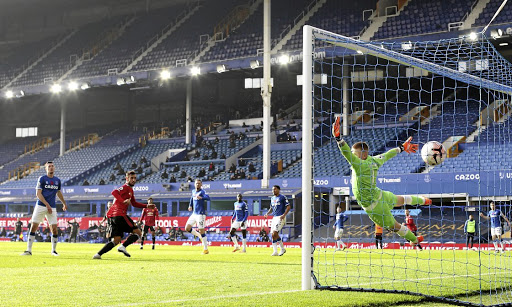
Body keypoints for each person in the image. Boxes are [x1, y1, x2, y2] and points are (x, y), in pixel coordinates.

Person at [332, 117, 430, 247]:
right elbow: (388, 154)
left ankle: (414, 240)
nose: (352, 154)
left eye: (354, 153)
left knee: (395, 226)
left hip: (374, 207)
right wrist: (401, 148)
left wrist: (339, 139)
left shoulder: (358, 164)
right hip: (381, 195)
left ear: (362, 154)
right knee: (400, 199)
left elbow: (346, 153)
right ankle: (423, 200)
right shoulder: (375, 160)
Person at [92, 171, 148, 259]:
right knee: (138, 232)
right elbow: (114, 192)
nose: (133, 180)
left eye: (135, 178)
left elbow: (134, 203)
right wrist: (123, 201)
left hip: (112, 217)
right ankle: (123, 246)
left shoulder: (130, 190)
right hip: (119, 215)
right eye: (131, 178)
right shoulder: (125, 187)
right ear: (127, 178)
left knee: (116, 240)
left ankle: (98, 254)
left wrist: (147, 206)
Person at [21, 161, 68, 256]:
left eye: (52, 166)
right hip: (41, 205)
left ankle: (53, 250)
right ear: (46, 169)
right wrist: (47, 205)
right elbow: (38, 194)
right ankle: (28, 250)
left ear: (54, 168)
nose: (51, 168)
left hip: (52, 207)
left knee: (54, 228)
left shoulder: (57, 180)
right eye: (49, 166)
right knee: (34, 226)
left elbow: (58, 192)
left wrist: (64, 203)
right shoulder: (42, 179)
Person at [185, 179, 211, 254]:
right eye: (196, 183)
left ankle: (206, 249)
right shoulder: (193, 191)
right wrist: (190, 205)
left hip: (201, 214)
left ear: (201, 184)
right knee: (187, 228)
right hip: (194, 214)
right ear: (194, 184)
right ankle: (199, 236)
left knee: (201, 229)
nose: (198, 185)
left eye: (199, 183)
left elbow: (208, 198)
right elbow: (191, 199)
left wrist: (202, 198)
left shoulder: (202, 192)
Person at [264, 185, 291, 256]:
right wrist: (267, 213)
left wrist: (284, 215)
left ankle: (282, 249)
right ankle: (276, 251)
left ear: (279, 190)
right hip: (274, 218)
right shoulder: (272, 198)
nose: (273, 191)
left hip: (280, 217)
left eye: (275, 189)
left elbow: (288, 206)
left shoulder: (282, 197)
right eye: (272, 190)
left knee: (275, 233)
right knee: (273, 235)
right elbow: (271, 208)